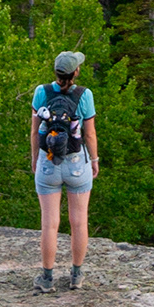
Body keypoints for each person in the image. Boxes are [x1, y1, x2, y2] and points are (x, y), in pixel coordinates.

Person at [31, 49, 100, 293]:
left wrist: (34, 159)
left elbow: (34, 131)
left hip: (48, 161)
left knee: (49, 224)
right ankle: (76, 276)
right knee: (79, 222)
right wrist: (94, 159)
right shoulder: (85, 95)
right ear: (76, 72)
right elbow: (89, 133)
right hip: (75, 163)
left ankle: (47, 279)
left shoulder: (41, 92)